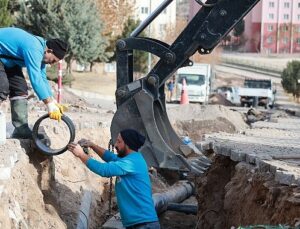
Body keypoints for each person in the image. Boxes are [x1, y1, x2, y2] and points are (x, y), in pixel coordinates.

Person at [68, 129, 160, 229]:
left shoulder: (132, 162)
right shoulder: (131, 158)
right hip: (140, 223)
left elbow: (104, 170)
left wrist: (81, 154)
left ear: (128, 144)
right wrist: (92, 145)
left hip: (144, 225)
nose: (115, 144)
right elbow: (111, 157)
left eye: (119, 142)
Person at [0, 27, 68, 139]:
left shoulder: (42, 52)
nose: (52, 64)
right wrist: (48, 104)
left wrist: (53, 100)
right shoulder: (34, 48)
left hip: (8, 61)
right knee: (2, 87)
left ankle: (21, 130)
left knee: (20, 89)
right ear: (49, 51)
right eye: (53, 60)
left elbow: (42, 78)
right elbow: (35, 78)